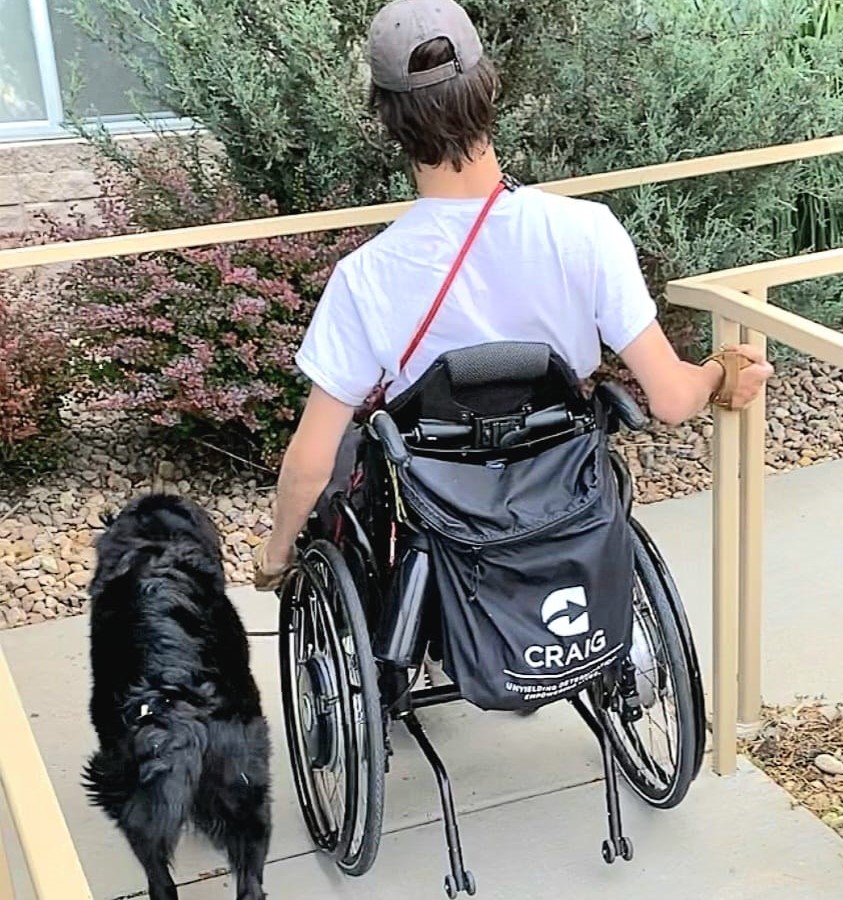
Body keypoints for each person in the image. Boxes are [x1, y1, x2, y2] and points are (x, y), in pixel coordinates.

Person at [254, 0, 773, 588]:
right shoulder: (586, 231)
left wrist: (276, 556)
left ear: (388, 119)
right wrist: (717, 374)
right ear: (488, 88)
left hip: (447, 529)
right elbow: (673, 401)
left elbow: (310, 463)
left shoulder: (365, 276)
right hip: (566, 496)